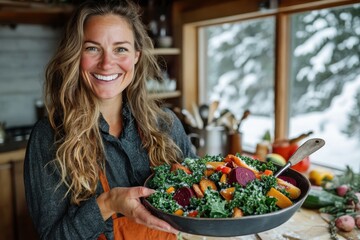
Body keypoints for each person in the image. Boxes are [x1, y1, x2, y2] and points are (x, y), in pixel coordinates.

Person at [23, 0, 197, 239]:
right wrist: (108, 203)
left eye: (120, 49)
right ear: (76, 54)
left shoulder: (165, 124)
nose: (106, 63)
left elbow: (200, 197)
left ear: (136, 55)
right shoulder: (50, 136)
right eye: (92, 48)